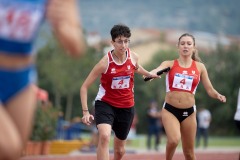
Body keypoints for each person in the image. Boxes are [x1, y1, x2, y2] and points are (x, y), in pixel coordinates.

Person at [0, 0, 85, 159]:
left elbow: (77, 47)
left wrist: (62, 27)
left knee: (14, 154)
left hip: (20, 79)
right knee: (9, 146)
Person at [80, 24, 158, 160]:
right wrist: (85, 112)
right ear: (112, 43)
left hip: (126, 107)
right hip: (105, 104)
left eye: (126, 41)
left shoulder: (133, 57)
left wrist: (148, 74)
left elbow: (136, 67)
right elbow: (84, 87)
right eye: (120, 41)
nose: (123, 45)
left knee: (120, 151)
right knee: (104, 136)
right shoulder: (105, 62)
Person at [148, 33, 226, 160]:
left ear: (194, 47)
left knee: (189, 153)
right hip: (170, 110)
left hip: (189, 112)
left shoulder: (200, 67)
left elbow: (210, 90)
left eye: (189, 44)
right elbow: (157, 69)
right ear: (178, 46)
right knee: (174, 140)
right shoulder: (170, 64)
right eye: (182, 43)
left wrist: (218, 95)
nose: (185, 46)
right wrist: (150, 74)